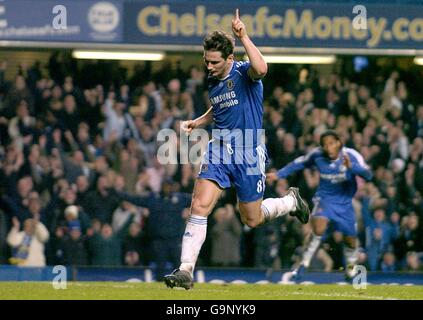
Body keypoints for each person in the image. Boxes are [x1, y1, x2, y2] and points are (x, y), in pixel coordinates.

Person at [164, 9, 310, 290]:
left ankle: (291, 202)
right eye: (206, 60)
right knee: (199, 204)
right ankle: (185, 270)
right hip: (219, 150)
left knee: (252, 218)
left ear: (229, 58)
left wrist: (243, 36)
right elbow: (219, 106)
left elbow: (263, 68)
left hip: (248, 152)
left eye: (214, 62)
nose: (208, 66)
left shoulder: (245, 72)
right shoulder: (213, 79)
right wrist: (200, 121)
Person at [269, 130, 373, 281]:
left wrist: (352, 167)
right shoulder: (317, 155)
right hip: (325, 199)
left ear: (338, 142)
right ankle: (303, 265)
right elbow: (299, 163)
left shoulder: (351, 155)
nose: (328, 147)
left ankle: (350, 269)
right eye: (325, 145)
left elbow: (369, 175)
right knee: (318, 228)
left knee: (350, 239)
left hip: (344, 203)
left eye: (331, 143)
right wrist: (279, 174)